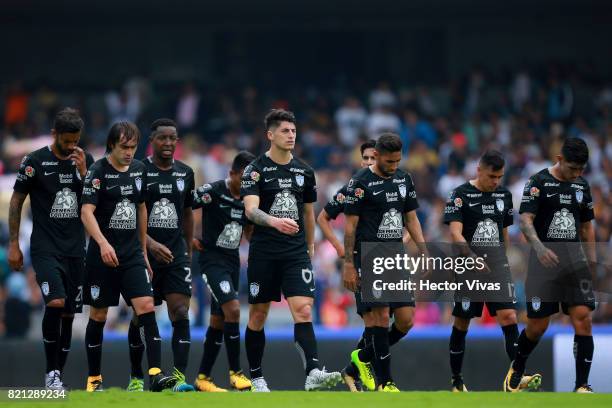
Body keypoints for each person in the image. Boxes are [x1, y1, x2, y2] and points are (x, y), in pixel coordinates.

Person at [241, 109, 341, 392]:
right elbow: (250, 209)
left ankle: (312, 372)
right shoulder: (255, 170)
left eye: (293, 131)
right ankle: (257, 377)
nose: (291, 135)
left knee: (304, 310)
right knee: (258, 315)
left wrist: (310, 247)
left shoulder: (304, 172)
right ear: (270, 135)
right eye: (285, 131)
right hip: (264, 252)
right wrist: (273, 221)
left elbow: (308, 213)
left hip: (295, 253)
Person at [81, 121, 173, 392]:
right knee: (98, 314)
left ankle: (155, 374)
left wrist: (143, 249)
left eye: (133, 147)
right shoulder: (98, 172)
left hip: (132, 253)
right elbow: (86, 212)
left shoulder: (139, 171)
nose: (129, 152)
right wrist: (102, 243)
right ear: (112, 145)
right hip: (102, 255)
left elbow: (142, 208)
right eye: (124, 147)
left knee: (146, 306)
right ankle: (94, 379)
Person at [8, 107, 93, 390]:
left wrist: (84, 173)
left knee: (69, 313)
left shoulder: (84, 161)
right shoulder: (34, 162)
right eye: (66, 141)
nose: (71, 146)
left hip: (75, 249)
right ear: (54, 134)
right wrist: (13, 244)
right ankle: (51, 371)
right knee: (55, 303)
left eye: (75, 141)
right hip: (45, 247)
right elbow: (17, 201)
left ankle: (57, 375)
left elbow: (94, 204)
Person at [443, 150, 541, 392]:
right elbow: (455, 233)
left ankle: (516, 377)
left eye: (499, 177)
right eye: (491, 176)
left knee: (509, 316)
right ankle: (456, 381)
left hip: (496, 266)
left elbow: (504, 233)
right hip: (468, 266)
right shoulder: (460, 195)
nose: (495, 181)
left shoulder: (504, 196)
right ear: (479, 170)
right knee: (462, 321)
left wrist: (501, 260)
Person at [505, 137, 597, 393]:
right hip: (542, 264)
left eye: (581, 169)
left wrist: (590, 261)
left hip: (574, 264)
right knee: (537, 326)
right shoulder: (538, 182)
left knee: (583, 319)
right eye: (572, 168)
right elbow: (525, 221)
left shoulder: (582, 186)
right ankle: (518, 366)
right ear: (559, 160)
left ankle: (581, 386)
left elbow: (587, 227)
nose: (577, 174)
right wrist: (540, 247)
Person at [343, 133, 427, 392]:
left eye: (397, 161)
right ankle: (385, 383)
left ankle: (362, 358)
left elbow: (411, 218)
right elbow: (350, 227)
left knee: (405, 320)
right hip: (370, 255)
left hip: (396, 255)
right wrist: (348, 263)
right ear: (376, 156)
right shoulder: (359, 183)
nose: (393, 166)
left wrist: (423, 250)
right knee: (379, 316)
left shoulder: (404, 178)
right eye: (389, 162)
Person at [125, 119, 195, 392]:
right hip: (143, 253)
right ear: (151, 140)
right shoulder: (138, 170)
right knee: (140, 315)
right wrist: (150, 244)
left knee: (180, 311)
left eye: (172, 138)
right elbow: (131, 213)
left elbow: (188, 213)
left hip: (175, 254)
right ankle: (136, 377)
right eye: (162, 138)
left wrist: (186, 251)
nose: (168, 143)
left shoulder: (185, 173)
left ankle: (178, 378)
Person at [192, 151, 255, 392]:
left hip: (232, 262)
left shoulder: (249, 199)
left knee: (218, 320)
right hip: (211, 260)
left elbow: (248, 230)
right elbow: (185, 204)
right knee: (234, 309)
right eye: (244, 178)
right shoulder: (213, 191)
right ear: (232, 174)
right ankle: (236, 373)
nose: (248, 184)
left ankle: (203, 378)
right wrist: (189, 239)